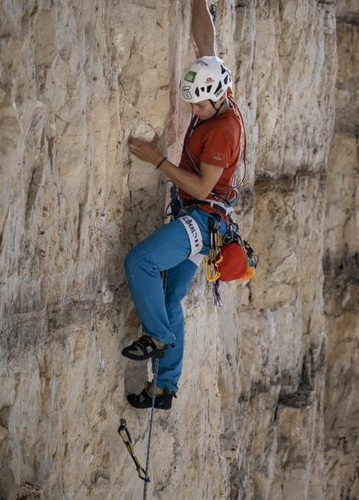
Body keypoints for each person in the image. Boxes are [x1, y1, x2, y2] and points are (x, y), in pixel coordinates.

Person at [122, 0, 243, 410]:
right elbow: (205, 40)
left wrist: (158, 160)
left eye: (199, 105)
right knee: (171, 298)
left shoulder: (223, 131)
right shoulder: (217, 90)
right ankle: (165, 388)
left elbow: (202, 186)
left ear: (217, 98)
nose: (194, 110)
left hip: (203, 218)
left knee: (140, 263)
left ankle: (159, 338)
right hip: (204, 223)